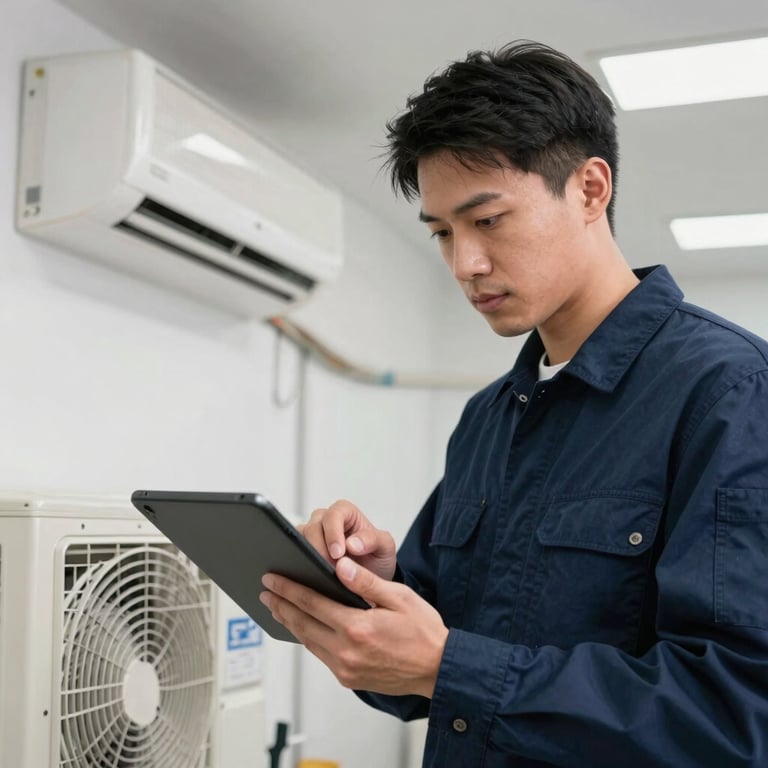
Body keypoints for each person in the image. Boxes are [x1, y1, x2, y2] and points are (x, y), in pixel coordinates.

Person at [259, 41, 768, 767]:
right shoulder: (488, 419)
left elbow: (738, 715)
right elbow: (421, 674)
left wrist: (448, 668)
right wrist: (370, 588)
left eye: (488, 220)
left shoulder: (729, 392)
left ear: (591, 190)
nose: (464, 263)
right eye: (441, 232)